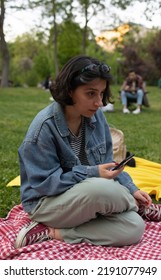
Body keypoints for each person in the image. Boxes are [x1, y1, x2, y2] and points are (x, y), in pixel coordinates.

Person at [15, 55, 154, 249]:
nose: (99, 102)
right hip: (46, 204)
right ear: (70, 90)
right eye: (90, 94)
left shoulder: (96, 117)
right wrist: (93, 173)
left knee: (134, 227)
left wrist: (133, 189)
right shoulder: (43, 129)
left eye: (101, 93)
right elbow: (46, 186)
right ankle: (139, 207)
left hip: (87, 200)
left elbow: (108, 163)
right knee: (102, 189)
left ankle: (51, 233)